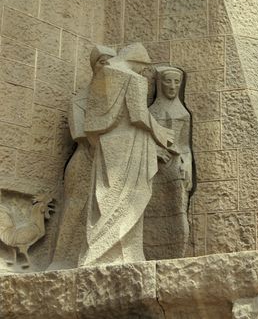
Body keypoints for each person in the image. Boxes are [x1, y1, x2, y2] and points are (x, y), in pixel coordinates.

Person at [78, 43, 173, 266]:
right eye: (144, 70)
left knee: (105, 198)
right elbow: (139, 114)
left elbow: (91, 123)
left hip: (106, 145)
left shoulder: (103, 75)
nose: (144, 75)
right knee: (129, 196)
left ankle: (96, 252)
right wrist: (160, 132)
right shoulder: (133, 78)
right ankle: (121, 255)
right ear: (141, 63)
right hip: (130, 143)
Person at [48, 45, 116, 270]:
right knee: (74, 210)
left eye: (111, 63)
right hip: (85, 161)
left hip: (108, 162)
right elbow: (82, 135)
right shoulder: (79, 101)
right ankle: (59, 260)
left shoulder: (115, 101)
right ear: (94, 66)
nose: (106, 67)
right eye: (102, 62)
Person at [148, 66, 193, 258]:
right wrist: (154, 152)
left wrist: (188, 164)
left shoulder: (183, 114)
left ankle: (177, 252)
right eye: (167, 81)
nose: (173, 86)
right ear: (159, 83)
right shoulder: (150, 112)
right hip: (154, 169)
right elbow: (141, 140)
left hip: (176, 167)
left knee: (178, 210)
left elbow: (184, 145)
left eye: (177, 81)